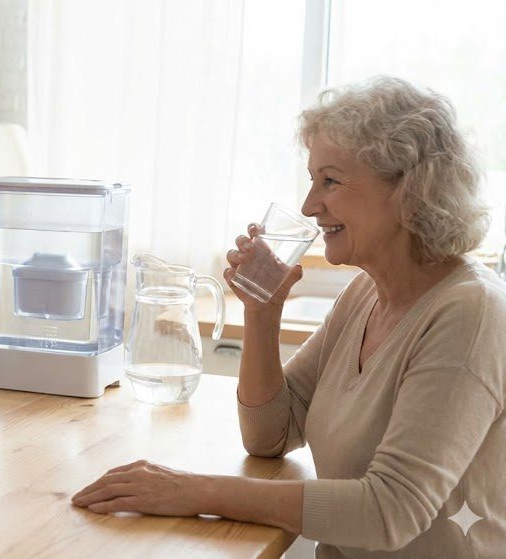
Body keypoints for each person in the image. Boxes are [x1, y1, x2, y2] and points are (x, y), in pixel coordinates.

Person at [73, 77, 505, 558]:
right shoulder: (366, 293)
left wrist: (191, 492)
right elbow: (270, 434)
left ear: (409, 190)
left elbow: (392, 511)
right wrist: (263, 313)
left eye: (330, 181)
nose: (308, 205)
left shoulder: (471, 313)